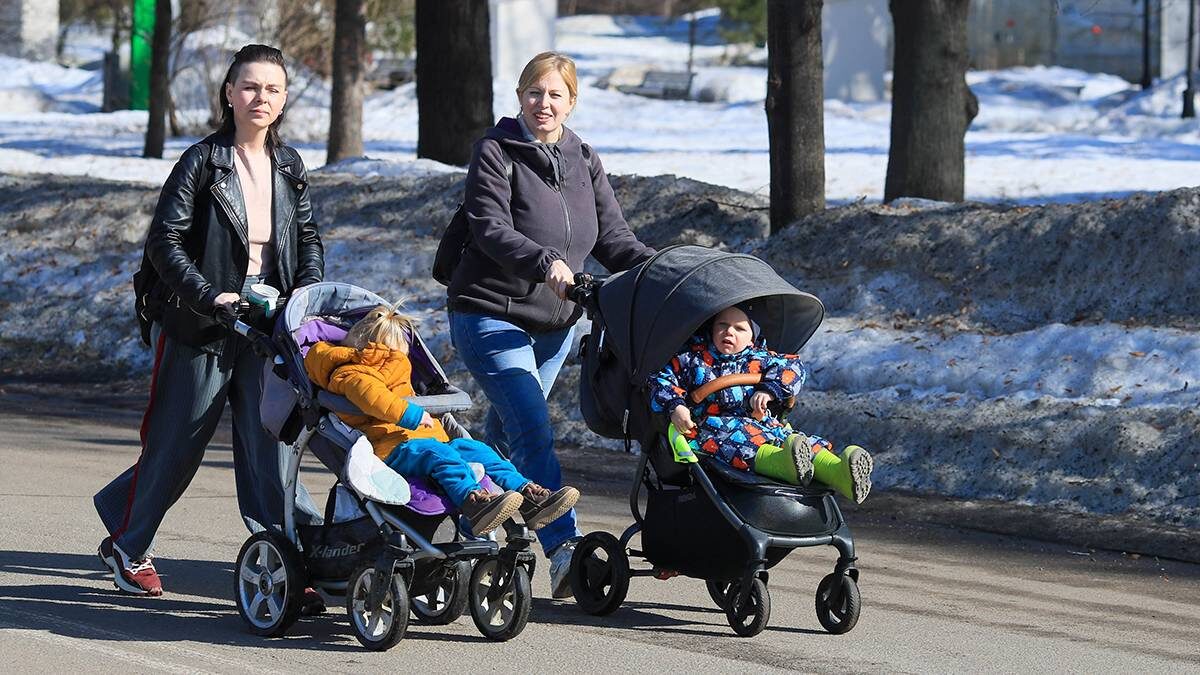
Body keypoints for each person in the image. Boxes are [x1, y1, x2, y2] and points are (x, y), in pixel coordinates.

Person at [94, 44, 324, 599]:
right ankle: (129, 546)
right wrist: (207, 296)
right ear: (228, 93)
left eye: (272, 89)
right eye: (249, 86)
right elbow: (163, 242)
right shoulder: (203, 161)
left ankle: (286, 565)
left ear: (285, 97)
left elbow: (308, 238)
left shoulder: (289, 164)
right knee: (179, 443)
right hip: (202, 325)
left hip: (268, 326)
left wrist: (308, 295)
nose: (260, 98)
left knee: (273, 445)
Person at [445, 51, 655, 597]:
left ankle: (463, 545)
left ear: (571, 100)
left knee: (505, 434)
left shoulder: (583, 157)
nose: (543, 103)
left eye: (554, 94)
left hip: (556, 326)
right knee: (533, 429)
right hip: (489, 314)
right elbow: (488, 226)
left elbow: (613, 239)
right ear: (520, 97)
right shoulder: (495, 152)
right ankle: (564, 549)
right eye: (534, 93)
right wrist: (546, 263)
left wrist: (664, 271)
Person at [303, 305, 580, 535]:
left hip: (421, 440)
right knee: (440, 454)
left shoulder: (386, 366)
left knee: (478, 450)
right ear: (378, 349)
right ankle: (473, 502)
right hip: (391, 448)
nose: (403, 357)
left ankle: (526, 494)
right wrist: (412, 414)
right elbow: (373, 398)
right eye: (398, 352)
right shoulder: (350, 373)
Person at [648, 304, 875, 503]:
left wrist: (770, 390)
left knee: (794, 440)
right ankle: (781, 464)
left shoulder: (760, 358)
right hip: (712, 427)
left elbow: (793, 368)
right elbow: (661, 380)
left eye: (739, 328)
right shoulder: (692, 358)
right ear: (711, 328)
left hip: (762, 423)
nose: (729, 332)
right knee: (743, 442)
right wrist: (676, 406)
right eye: (722, 325)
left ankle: (838, 473)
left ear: (753, 336)